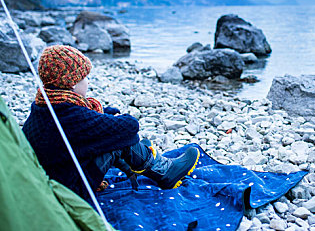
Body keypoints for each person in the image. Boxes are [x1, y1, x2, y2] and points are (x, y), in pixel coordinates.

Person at [22, 45, 199, 201]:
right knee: (119, 139)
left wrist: (108, 116)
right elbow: (130, 127)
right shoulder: (70, 115)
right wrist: (116, 122)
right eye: (85, 77)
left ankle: (140, 160)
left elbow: (84, 123)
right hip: (71, 189)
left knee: (112, 132)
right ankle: (164, 172)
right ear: (73, 84)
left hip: (54, 179)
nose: (88, 82)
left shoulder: (45, 106)